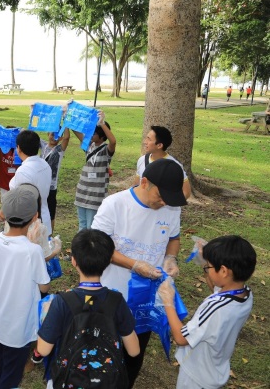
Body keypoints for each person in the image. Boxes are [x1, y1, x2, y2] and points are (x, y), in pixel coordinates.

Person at [91, 158, 187, 388]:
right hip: (112, 292)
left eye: (169, 198)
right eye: (161, 196)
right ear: (144, 182)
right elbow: (96, 247)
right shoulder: (114, 205)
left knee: (134, 354)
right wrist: (134, 264)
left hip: (145, 298)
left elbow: (174, 238)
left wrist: (170, 258)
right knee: (103, 351)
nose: (165, 203)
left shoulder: (171, 208)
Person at [36, 229, 140, 387]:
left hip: (67, 381)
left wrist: (45, 316)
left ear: (74, 261)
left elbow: (43, 350)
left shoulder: (61, 302)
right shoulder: (116, 301)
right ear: (107, 262)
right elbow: (134, 351)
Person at [157, 235, 256, 389]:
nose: (207, 270)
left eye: (209, 267)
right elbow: (217, 288)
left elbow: (181, 338)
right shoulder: (245, 295)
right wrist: (205, 262)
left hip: (197, 376)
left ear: (223, 270)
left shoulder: (215, 307)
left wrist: (168, 302)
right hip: (215, 368)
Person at [0, 184, 50, 389]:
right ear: (34, 217)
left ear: (4, 215)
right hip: (19, 324)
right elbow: (44, 287)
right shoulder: (32, 251)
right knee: (13, 373)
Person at [73, 110, 117, 230]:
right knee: (82, 225)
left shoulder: (106, 150)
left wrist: (102, 123)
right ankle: (80, 248)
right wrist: (69, 117)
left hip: (95, 195)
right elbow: (77, 133)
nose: (90, 134)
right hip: (82, 192)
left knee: (91, 226)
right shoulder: (89, 146)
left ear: (102, 136)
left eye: (94, 133)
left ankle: (89, 248)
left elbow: (113, 141)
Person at [9, 129, 53, 236]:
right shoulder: (44, 164)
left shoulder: (24, 171)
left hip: (30, 223)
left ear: (18, 148)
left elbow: (22, 200)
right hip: (44, 217)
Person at [132, 125, 191, 200]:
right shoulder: (142, 160)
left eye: (149, 139)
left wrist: (163, 204)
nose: (145, 142)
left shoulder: (174, 166)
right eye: (146, 138)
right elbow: (136, 185)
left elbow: (186, 192)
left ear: (159, 145)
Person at [41, 128, 70, 231]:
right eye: (53, 134)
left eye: (58, 135)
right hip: (40, 185)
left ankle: (50, 235)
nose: (54, 137)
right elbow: (29, 134)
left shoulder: (59, 149)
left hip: (51, 187)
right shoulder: (43, 145)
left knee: (50, 212)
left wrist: (65, 121)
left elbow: (67, 137)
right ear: (48, 133)